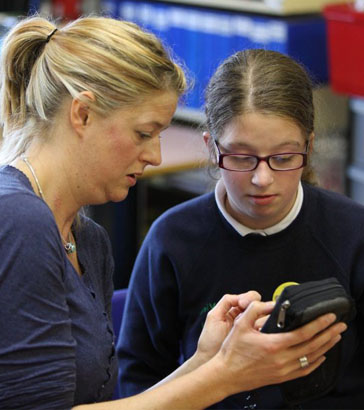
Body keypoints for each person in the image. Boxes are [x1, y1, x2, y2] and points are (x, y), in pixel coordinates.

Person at [0, 17, 346, 409]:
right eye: (144, 133)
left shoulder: (88, 240)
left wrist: (206, 361)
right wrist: (228, 375)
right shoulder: (19, 220)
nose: (156, 156)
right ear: (82, 113)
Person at [117, 49, 364, 409]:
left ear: (309, 147)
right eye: (241, 157)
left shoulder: (353, 234)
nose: (262, 179)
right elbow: (138, 385)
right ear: (211, 148)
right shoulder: (171, 241)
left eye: (283, 158)